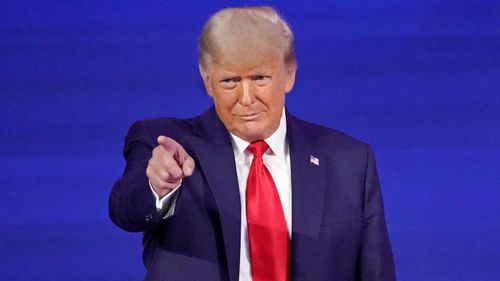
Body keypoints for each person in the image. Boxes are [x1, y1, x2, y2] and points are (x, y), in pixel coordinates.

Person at [109, 6, 396, 281]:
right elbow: (124, 209)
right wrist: (158, 188)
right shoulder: (167, 143)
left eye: (260, 78)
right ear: (207, 81)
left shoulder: (350, 161)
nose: (246, 98)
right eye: (230, 81)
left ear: (289, 74)